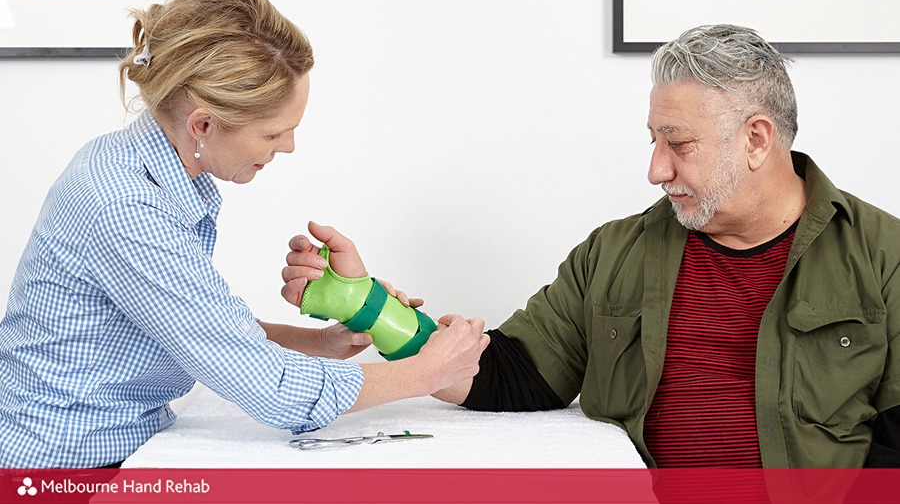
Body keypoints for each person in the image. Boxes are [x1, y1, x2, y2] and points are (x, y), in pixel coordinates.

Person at [282, 24, 900, 471]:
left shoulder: (883, 256)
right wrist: (367, 306)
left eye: (677, 143)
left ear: (757, 140)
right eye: (652, 140)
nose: (656, 170)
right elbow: (507, 376)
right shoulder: (615, 252)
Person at [0, 0, 488, 469]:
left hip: (114, 443)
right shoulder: (126, 207)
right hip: (59, 467)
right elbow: (271, 391)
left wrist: (322, 343)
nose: (290, 146)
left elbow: (192, 323)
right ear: (203, 126)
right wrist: (426, 372)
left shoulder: (137, 165)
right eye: (274, 132)